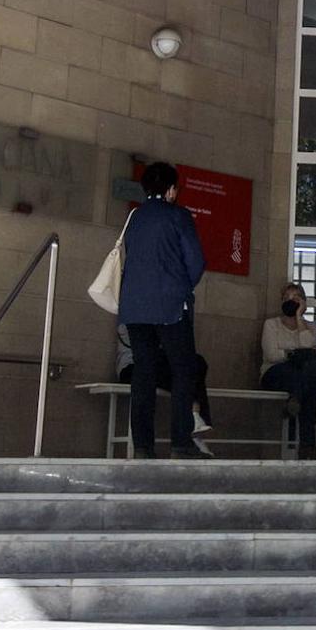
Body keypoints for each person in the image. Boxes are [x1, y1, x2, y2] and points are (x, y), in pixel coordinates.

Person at [118, 162, 207, 459]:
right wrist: (182, 287)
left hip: (134, 307)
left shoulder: (135, 217)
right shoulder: (178, 216)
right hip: (169, 305)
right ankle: (181, 442)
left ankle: (143, 445)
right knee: (183, 370)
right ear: (171, 189)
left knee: (144, 372)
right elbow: (195, 261)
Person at [115, 323, 215, 456]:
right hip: (131, 366)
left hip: (144, 361)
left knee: (190, 365)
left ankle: (143, 447)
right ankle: (192, 420)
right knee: (187, 365)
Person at [259, 283, 316, 460]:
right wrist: (295, 353)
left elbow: (308, 345)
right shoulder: (271, 324)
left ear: (303, 302)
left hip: (301, 376)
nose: (291, 301)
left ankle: (295, 399)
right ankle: (307, 445)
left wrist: (299, 318)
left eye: (296, 298)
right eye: (287, 298)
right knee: (307, 379)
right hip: (275, 373)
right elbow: (272, 355)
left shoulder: (310, 326)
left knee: (309, 382)